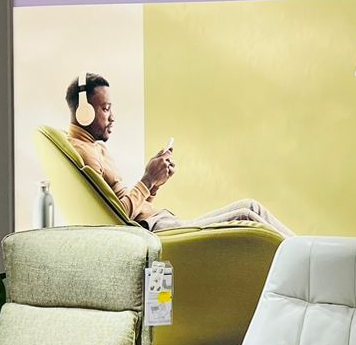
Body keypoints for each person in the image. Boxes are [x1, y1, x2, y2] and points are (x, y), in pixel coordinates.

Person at [65, 74, 291, 236]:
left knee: (251, 207)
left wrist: (154, 185)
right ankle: (306, 259)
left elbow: (129, 211)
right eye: (106, 109)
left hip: (158, 221)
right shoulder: (84, 153)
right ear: (84, 112)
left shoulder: (96, 148)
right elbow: (112, 223)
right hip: (156, 231)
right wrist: (147, 179)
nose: (112, 117)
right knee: (246, 217)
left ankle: (306, 253)